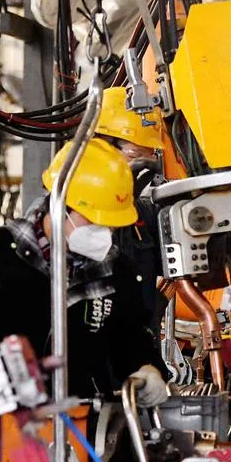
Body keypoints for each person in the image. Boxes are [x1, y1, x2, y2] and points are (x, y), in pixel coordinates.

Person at [0, 139, 169, 406]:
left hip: (85, 427)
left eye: (110, 225)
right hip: (2, 432)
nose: (104, 233)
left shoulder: (116, 273)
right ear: (60, 205)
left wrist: (149, 368)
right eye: (95, 221)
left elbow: (130, 337)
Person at [93, 86, 167, 332]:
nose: (142, 167)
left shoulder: (144, 216)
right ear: (101, 147)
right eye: (135, 154)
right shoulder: (63, 215)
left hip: (139, 354)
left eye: (149, 157)